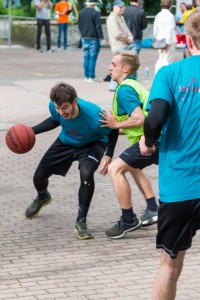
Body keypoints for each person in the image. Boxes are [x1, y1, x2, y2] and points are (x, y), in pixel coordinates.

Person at [139, 10, 200, 300]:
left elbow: (154, 119)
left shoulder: (171, 73)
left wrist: (148, 142)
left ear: (188, 38)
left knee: (170, 265)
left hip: (180, 187)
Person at [25, 82, 118, 240]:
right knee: (38, 177)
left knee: (86, 174)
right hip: (66, 142)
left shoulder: (95, 116)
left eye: (65, 108)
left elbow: (113, 131)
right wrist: (31, 132)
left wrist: (108, 154)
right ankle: (43, 197)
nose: (61, 112)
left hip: (92, 144)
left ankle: (81, 221)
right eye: (58, 107)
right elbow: (55, 120)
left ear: (75, 101)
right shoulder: (55, 107)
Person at [99, 50, 159, 239]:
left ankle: (128, 219)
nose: (110, 68)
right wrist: (114, 128)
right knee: (132, 166)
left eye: (114, 64)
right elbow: (132, 123)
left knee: (115, 169)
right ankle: (152, 208)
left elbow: (138, 118)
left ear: (125, 68)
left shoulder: (124, 89)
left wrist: (116, 124)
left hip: (151, 139)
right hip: (155, 137)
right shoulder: (132, 85)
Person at [106, 0, 133, 91]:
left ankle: (117, 85)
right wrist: (127, 39)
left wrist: (130, 37)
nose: (122, 9)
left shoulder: (120, 17)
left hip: (123, 44)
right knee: (118, 67)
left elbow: (126, 29)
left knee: (122, 66)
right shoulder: (112, 18)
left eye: (123, 7)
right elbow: (117, 33)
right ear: (114, 7)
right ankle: (113, 86)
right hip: (118, 45)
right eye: (120, 7)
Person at [78, 0, 104, 83]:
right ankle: (91, 77)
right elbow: (98, 26)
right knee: (92, 58)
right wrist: (101, 38)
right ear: (95, 4)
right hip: (94, 38)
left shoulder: (81, 12)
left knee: (86, 57)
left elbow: (79, 25)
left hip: (84, 38)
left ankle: (86, 76)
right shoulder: (96, 13)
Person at [153, 0, 177, 74]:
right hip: (169, 41)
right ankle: (166, 76)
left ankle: (158, 73)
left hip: (160, 40)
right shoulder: (170, 16)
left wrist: (157, 39)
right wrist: (167, 42)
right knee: (168, 60)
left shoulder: (158, 15)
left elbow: (155, 30)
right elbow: (170, 29)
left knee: (161, 58)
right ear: (170, 5)